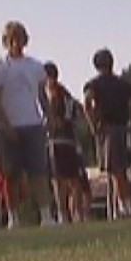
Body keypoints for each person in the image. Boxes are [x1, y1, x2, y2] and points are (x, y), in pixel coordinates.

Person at [0, 21, 54, 228]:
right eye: (11, 40)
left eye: (19, 39)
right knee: (11, 175)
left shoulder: (36, 67)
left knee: (38, 172)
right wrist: (6, 125)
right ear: (5, 42)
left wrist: (48, 116)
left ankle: (46, 215)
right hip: (7, 126)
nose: (16, 43)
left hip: (32, 123)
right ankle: (13, 216)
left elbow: (42, 96)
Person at [83, 48, 131, 218]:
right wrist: (130, 122)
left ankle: (125, 206)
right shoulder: (123, 84)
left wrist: (93, 124)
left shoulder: (94, 84)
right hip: (123, 127)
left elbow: (87, 103)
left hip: (107, 128)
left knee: (116, 170)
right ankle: (118, 206)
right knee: (119, 170)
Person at [44, 62, 88, 223]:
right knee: (73, 178)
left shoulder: (52, 92)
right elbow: (80, 110)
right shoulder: (66, 93)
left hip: (57, 139)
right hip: (70, 139)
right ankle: (77, 213)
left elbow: (53, 116)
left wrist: (50, 122)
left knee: (58, 180)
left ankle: (63, 213)